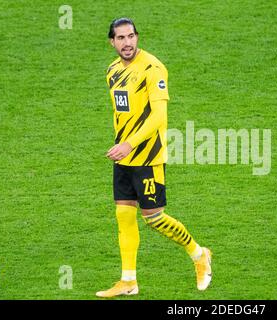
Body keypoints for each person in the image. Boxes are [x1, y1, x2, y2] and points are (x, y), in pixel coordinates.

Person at [96, 17, 212, 298]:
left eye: (131, 36)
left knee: (154, 218)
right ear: (112, 42)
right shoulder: (111, 71)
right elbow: (122, 114)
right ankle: (128, 281)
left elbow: (159, 117)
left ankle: (199, 254)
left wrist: (130, 144)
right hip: (123, 157)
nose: (127, 42)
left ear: (138, 37)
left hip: (147, 156)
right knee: (124, 216)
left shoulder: (153, 68)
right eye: (121, 38)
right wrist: (121, 146)